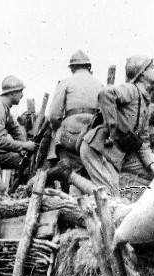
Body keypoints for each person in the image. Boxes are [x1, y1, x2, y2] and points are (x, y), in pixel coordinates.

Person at [71, 55, 154, 197]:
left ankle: (75, 187)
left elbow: (143, 142)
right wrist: (112, 129)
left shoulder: (145, 103)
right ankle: (69, 176)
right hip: (97, 149)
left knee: (112, 194)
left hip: (112, 155)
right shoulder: (131, 90)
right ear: (142, 73)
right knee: (111, 197)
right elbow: (106, 93)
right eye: (152, 68)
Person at [45, 50, 103, 184]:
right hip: (92, 135)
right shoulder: (99, 84)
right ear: (89, 67)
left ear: (72, 68)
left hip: (71, 135)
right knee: (91, 173)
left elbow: (54, 116)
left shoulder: (65, 83)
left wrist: (56, 130)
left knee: (70, 170)